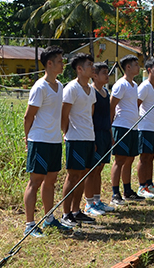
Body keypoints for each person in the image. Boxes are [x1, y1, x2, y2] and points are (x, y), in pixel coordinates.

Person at [23, 46, 71, 237]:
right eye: (59, 61)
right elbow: (28, 117)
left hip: (54, 141)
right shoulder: (40, 87)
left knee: (51, 180)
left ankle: (49, 218)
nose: (62, 64)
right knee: (35, 181)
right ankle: (30, 224)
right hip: (40, 140)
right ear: (49, 64)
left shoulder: (59, 86)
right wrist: (28, 140)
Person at [60, 53, 97, 227]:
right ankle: (65, 213)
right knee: (73, 176)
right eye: (89, 65)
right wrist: (66, 134)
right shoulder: (71, 88)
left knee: (84, 175)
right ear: (79, 68)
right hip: (75, 139)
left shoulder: (91, 90)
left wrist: (92, 137)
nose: (92, 68)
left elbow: (89, 115)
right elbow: (64, 115)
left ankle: (76, 211)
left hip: (89, 138)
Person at [110, 54, 144, 204]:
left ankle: (127, 190)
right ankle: (115, 193)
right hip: (121, 127)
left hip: (133, 127)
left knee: (130, 159)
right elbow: (112, 106)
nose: (139, 67)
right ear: (128, 67)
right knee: (120, 160)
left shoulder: (134, 85)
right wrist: (109, 128)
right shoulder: (121, 84)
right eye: (136, 65)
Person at [84, 61, 116, 216]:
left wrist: (110, 135)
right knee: (92, 170)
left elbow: (108, 117)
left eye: (107, 72)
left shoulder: (105, 92)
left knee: (99, 169)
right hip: (95, 134)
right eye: (104, 73)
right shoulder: (92, 92)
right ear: (94, 75)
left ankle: (97, 201)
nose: (107, 75)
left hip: (105, 133)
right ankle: (88, 203)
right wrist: (93, 138)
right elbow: (90, 117)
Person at [136, 58, 154, 197]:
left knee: (151, 157)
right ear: (149, 70)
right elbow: (136, 104)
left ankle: (149, 184)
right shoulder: (144, 86)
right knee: (144, 157)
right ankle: (141, 187)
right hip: (144, 127)